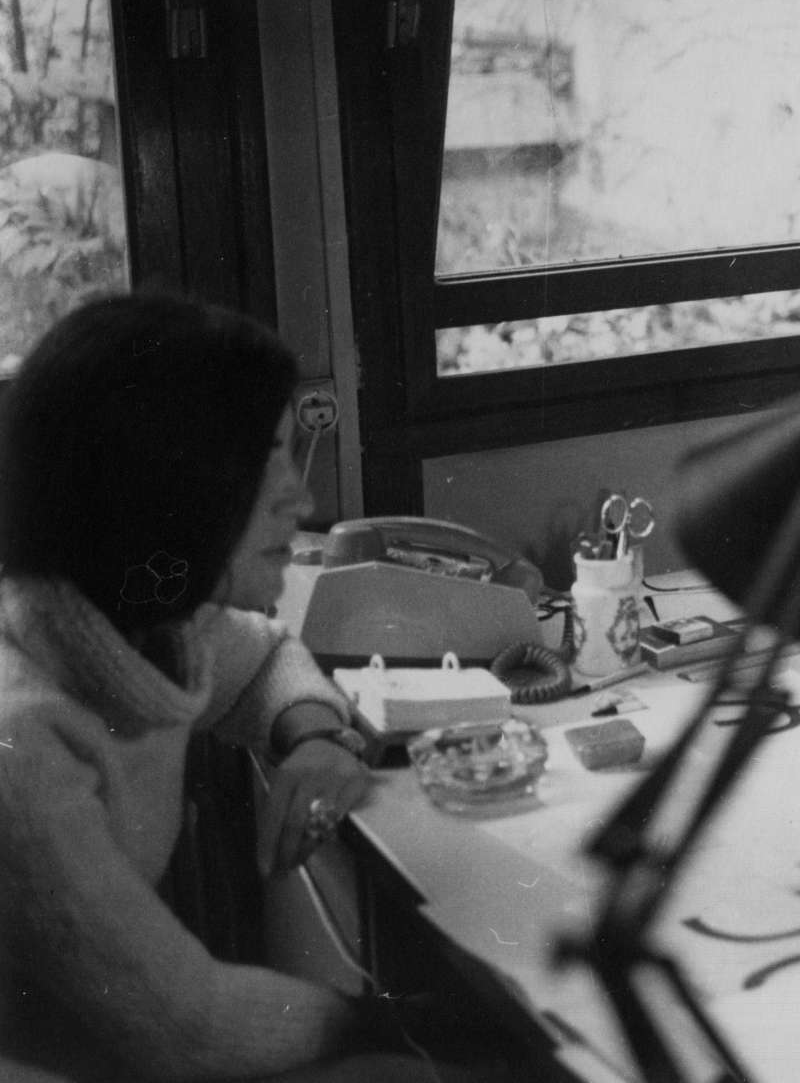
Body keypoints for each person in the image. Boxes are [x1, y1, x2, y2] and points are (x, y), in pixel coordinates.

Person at [0, 293, 506, 1081]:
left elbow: (262, 658)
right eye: (264, 460)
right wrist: (421, 1022)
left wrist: (315, 734)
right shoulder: (19, 741)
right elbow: (192, 1025)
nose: (299, 500)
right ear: (164, 486)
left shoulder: (133, 610)